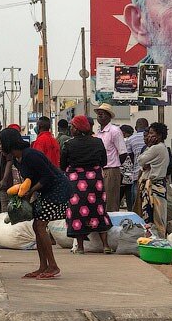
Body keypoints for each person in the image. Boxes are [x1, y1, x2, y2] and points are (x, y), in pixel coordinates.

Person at [2, 128, 71, 280]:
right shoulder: (17, 159)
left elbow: (48, 176)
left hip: (57, 190)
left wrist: (31, 191)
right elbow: (30, 178)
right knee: (37, 226)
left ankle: (52, 266)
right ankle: (43, 266)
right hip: (45, 191)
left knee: (40, 226)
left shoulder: (30, 155)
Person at [59, 115, 114, 253]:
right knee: (99, 210)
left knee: (78, 212)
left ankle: (81, 247)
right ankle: (106, 246)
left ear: (77, 129)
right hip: (95, 181)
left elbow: (63, 165)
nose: (70, 129)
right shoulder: (98, 142)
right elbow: (104, 162)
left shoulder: (68, 145)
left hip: (75, 182)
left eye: (72, 126)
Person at [137, 122, 171, 236]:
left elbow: (140, 160)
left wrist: (149, 147)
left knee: (153, 217)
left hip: (153, 187)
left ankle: (155, 239)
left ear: (159, 135)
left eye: (151, 133)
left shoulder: (156, 148)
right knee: (157, 216)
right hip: (158, 186)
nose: (149, 136)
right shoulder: (162, 148)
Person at [94, 103, 127, 211]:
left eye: (102, 114)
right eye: (98, 114)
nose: (99, 116)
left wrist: (114, 166)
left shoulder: (115, 131)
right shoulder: (98, 132)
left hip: (111, 170)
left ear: (108, 116)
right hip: (100, 170)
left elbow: (123, 153)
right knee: (101, 201)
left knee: (110, 202)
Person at [121, 120, 147, 213]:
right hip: (150, 174)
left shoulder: (131, 139)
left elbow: (130, 156)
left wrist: (136, 164)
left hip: (136, 173)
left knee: (136, 198)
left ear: (136, 128)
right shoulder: (151, 137)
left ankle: (136, 216)